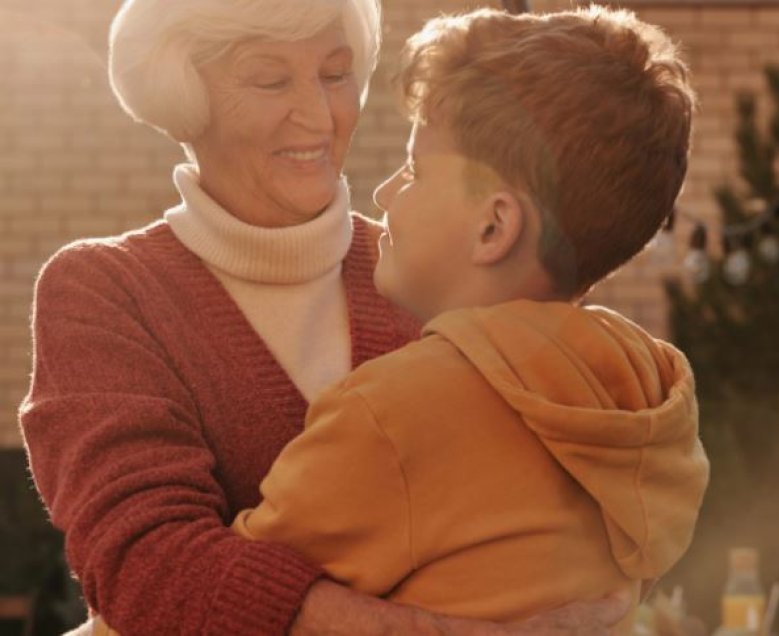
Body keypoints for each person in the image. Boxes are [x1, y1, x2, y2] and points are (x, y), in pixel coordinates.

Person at [19, 0, 630, 634]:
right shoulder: (102, 291)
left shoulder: (448, 274)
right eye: (269, 79)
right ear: (185, 94)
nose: (318, 115)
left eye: (336, 75)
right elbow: (146, 563)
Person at [230, 5, 710, 633]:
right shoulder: (636, 390)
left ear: (493, 227)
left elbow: (219, 603)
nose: (384, 193)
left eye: (415, 170)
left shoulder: (393, 412)